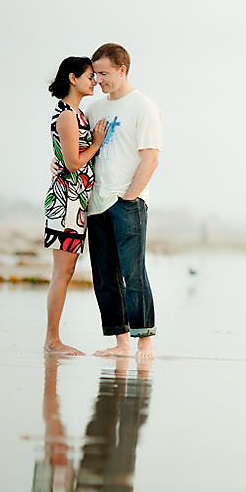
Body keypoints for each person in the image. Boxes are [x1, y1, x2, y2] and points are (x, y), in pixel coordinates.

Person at [84, 43, 162, 361]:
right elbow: (81, 151)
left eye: (104, 73)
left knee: (133, 272)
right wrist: (57, 162)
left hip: (127, 202)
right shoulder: (93, 110)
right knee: (104, 276)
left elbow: (151, 158)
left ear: (122, 70)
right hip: (95, 202)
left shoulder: (143, 106)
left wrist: (129, 197)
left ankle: (145, 342)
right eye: (95, 74)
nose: (99, 80)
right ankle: (120, 343)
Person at [43, 57, 108, 355]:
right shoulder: (68, 116)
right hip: (66, 202)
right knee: (62, 272)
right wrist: (96, 142)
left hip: (75, 201)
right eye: (90, 76)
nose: (94, 81)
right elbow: (73, 162)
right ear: (73, 78)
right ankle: (52, 339)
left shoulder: (77, 114)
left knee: (66, 272)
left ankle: (53, 338)